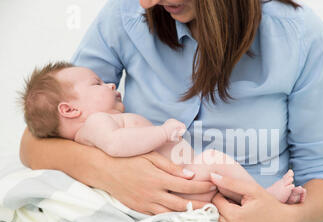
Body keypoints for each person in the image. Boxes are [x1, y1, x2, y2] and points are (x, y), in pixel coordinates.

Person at [19, 0, 323, 222]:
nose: (147, 2)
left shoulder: (298, 36)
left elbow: (321, 177)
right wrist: (109, 172)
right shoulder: (126, 15)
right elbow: (38, 139)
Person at [20, 62, 307, 205]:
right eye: (96, 83)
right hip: (177, 180)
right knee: (216, 160)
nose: (109, 84)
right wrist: (163, 132)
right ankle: (263, 198)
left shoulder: (95, 124)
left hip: (179, 182)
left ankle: (253, 200)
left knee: (219, 181)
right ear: (69, 110)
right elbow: (116, 144)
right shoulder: (96, 124)